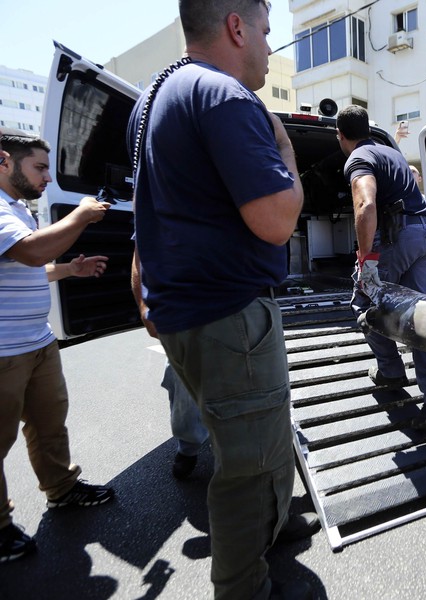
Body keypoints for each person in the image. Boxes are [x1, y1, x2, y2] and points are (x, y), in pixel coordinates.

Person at [126, 1, 317, 598]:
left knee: (252, 436)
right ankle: (244, 587)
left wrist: (144, 290)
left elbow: (151, 208)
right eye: (265, 31)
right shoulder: (227, 97)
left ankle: (278, 521)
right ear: (236, 27)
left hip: (184, 311)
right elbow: (277, 220)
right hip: (230, 316)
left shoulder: (153, 97)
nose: (268, 46)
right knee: (250, 468)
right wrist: (285, 149)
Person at [0, 133, 114, 564]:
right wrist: (82, 216)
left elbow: (26, 264)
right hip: (4, 351)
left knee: (49, 424)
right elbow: (29, 253)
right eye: (40, 168)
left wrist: (67, 269)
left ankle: (62, 490)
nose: (48, 176)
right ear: (5, 161)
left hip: (37, 342)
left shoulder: (18, 209)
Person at [337, 104, 426, 428]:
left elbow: (365, 205)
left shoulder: (358, 159)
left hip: (399, 236)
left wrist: (367, 262)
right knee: (420, 317)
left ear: (341, 135)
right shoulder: (389, 152)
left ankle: (391, 371)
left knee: (364, 302)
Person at [131, 250, 208, 480]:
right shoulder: (152, 212)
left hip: (233, 298)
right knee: (181, 382)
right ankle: (188, 447)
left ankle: (243, 454)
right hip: (182, 306)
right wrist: (144, 306)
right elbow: (140, 256)